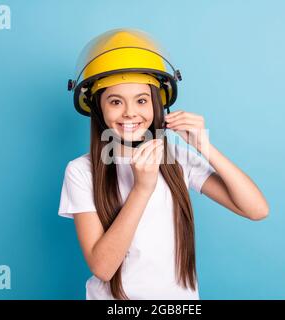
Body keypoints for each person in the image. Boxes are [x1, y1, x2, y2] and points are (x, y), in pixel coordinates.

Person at [59, 28, 269, 300]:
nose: (130, 112)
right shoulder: (81, 171)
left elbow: (257, 210)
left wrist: (204, 147)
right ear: (98, 109)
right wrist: (141, 189)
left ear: (157, 104)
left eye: (142, 100)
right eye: (115, 101)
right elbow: (103, 268)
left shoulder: (177, 159)